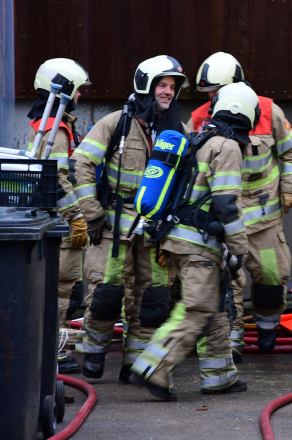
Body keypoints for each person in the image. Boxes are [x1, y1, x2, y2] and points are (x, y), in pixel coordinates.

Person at [130, 82, 256, 399]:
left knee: (213, 308)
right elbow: (227, 205)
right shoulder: (226, 147)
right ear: (246, 112)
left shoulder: (201, 139)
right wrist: (241, 249)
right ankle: (152, 367)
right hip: (198, 244)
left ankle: (219, 375)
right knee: (197, 309)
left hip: (183, 238)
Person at [73, 55, 187, 381]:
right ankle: (93, 355)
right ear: (146, 85)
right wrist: (92, 214)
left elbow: (189, 180)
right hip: (112, 230)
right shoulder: (115, 124)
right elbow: (80, 165)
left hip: (154, 233)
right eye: (162, 85)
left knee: (152, 299)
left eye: (172, 87)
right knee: (106, 295)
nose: (167, 92)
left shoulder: (178, 130)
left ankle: (136, 365)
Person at [190, 52, 292, 355]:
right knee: (228, 287)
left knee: (271, 281)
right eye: (208, 93)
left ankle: (267, 334)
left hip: (265, 223)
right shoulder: (201, 117)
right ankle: (231, 346)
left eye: (215, 91)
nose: (211, 98)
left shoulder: (268, 111)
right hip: (224, 222)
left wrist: (291, 188)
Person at [26, 58, 91, 374]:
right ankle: (56, 352)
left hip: (51, 219)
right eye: (77, 90)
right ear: (65, 89)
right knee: (62, 286)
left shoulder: (44, 125)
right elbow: (59, 179)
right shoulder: (57, 129)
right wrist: (76, 217)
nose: (80, 97)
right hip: (61, 221)